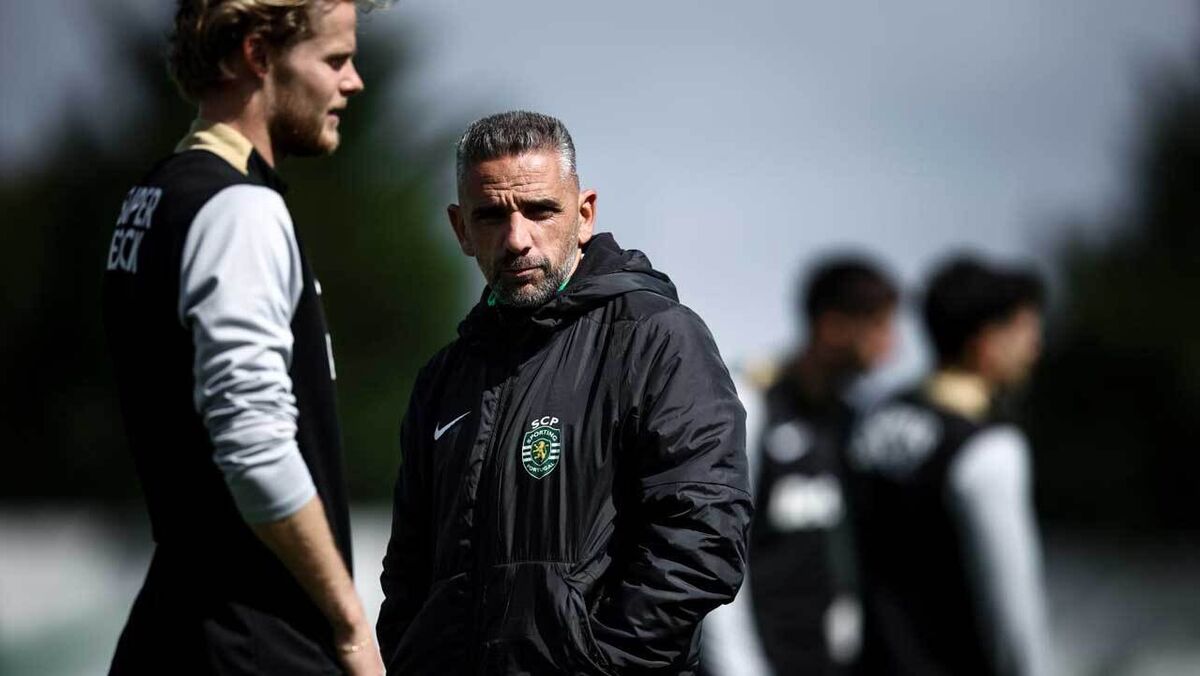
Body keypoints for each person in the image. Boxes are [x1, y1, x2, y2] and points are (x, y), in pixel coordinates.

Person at [376, 110, 753, 675]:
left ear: (584, 215)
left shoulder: (655, 339)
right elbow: (408, 569)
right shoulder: (444, 377)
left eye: (540, 210)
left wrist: (601, 666)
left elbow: (704, 535)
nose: (517, 239)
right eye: (491, 215)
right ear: (460, 229)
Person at [103, 1, 389, 673]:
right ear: (258, 54)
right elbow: (255, 443)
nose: (353, 81)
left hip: (173, 628)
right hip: (254, 645)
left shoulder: (153, 197)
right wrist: (351, 624)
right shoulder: (239, 210)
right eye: (335, 59)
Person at [847, 255, 1051, 676]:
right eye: (1024, 331)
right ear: (986, 340)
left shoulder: (871, 420)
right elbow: (1013, 612)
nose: (1034, 349)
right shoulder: (988, 448)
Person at [733, 257, 898, 676]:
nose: (891, 346)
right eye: (879, 327)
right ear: (833, 326)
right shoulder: (753, 406)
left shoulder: (860, 421)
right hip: (768, 658)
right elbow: (719, 554)